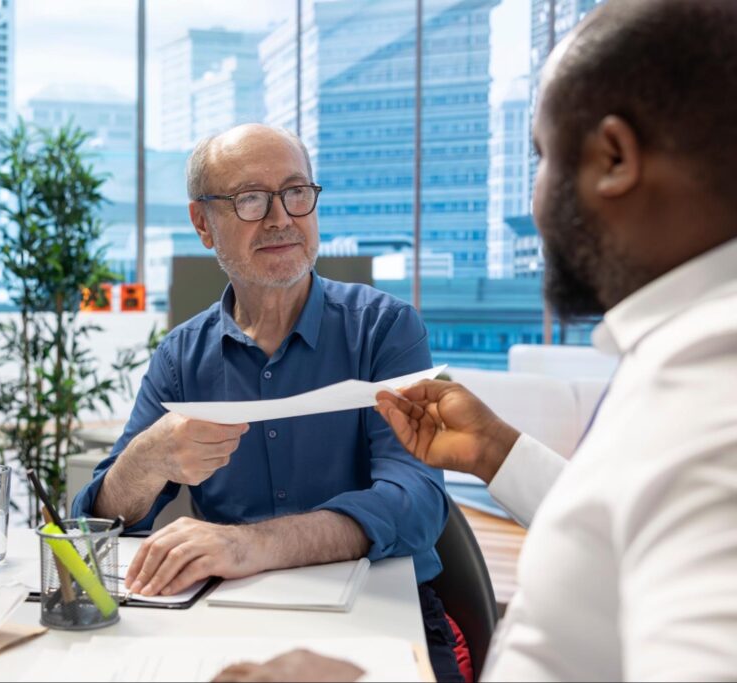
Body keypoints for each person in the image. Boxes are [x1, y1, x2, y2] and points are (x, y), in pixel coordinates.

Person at [213, 0, 737, 680]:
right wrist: (499, 452)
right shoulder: (679, 358)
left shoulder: (710, 397)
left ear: (614, 157)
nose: (536, 197)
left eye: (542, 157)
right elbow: (628, 527)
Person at [73, 123, 464, 680]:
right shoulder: (182, 357)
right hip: (232, 626)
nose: (281, 217)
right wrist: (146, 459)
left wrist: (252, 544)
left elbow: (416, 501)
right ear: (202, 223)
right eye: (251, 199)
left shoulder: (385, 329)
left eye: (297, 192)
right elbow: (97, 524)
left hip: (381, 617)